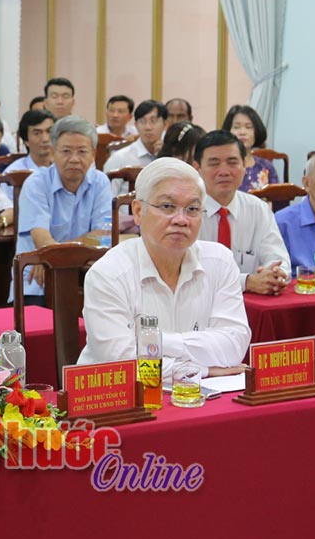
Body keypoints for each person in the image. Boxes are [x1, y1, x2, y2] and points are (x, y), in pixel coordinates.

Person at [78, 157, 249, 383]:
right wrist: (200, 369)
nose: (181, 220)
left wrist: (153, 342)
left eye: (192, 209)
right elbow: (121, 364)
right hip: (117, 395)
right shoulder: (108, 273)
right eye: (167, 207)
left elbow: (234, 346)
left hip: (198, 395)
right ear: (138, 211)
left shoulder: (220, 261)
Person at [14, 116, 113, 302]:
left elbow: (102, 235)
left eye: (82, 152)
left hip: (85, 278)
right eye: (66, 151)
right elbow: (41, 238)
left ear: (93, 154)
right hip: (37, 281)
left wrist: (50, 255)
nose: (74, 159)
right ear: (53, 153)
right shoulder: (36, 183)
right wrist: (52, 252)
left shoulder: (100, 182)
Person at [194, 131, 290, 294]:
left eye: (232, 162)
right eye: (214, 164)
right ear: (197, 168)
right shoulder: (187, 211)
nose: (224, 171)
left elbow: (278, 259)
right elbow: (188, 273)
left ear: (245, 165)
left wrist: (275, 275)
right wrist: (247, 282)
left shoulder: (258, 209)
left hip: (251, 304)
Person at [105, 100, 168, 200]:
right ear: (136, 125)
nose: (148, 127)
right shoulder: (119, 158)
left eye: (153, 121)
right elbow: (107, 199)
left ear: (165, 124)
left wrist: (164, 154)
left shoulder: (170, 157)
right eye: (142, 121)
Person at [222, 104, 278, 191]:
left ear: (257, 132)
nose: (242, 132)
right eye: (236, 127)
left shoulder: (266, 167)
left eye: (248, 127)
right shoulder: (221, 167)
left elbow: (278, 197)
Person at [3, 109, 55, 175]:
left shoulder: (63, 168)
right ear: (26, 141)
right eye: (37, 133)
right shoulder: (14, 174)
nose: (45, 139)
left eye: (49, 131)